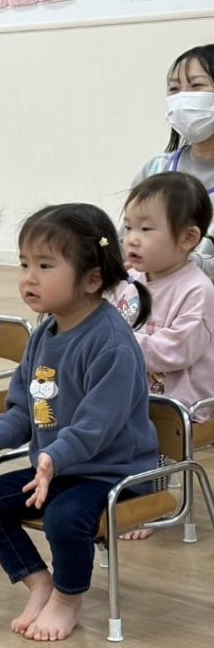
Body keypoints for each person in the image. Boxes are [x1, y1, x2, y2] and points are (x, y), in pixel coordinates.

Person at [0, 203, 158, 642]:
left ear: (91, 279)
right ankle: (39, 583)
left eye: (45, 266)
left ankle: (68, 598)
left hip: (114, 473)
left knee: (64, 517)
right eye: (24, 264)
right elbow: (24, 409)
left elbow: (96, 425)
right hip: (60, 467)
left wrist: (52, 459)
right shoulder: (44, 335)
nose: (29, 278)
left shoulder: (111, 344)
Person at [114, 171, 214, 539]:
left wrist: (121, 344)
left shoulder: (197, 289)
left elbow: (178, 350)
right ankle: (114, 493)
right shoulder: (132, 282)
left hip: (182, 400)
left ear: (188, 238)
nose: (132, 238)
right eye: (128, 227)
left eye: (146, 229)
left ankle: (148, 504)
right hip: (140, 390)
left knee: (141, 428)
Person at [132, 44, 214, 278]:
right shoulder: (156, 169)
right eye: (174, 89)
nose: (182, 98)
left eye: (196, 86)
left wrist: (179, 259)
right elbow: (125, 240)